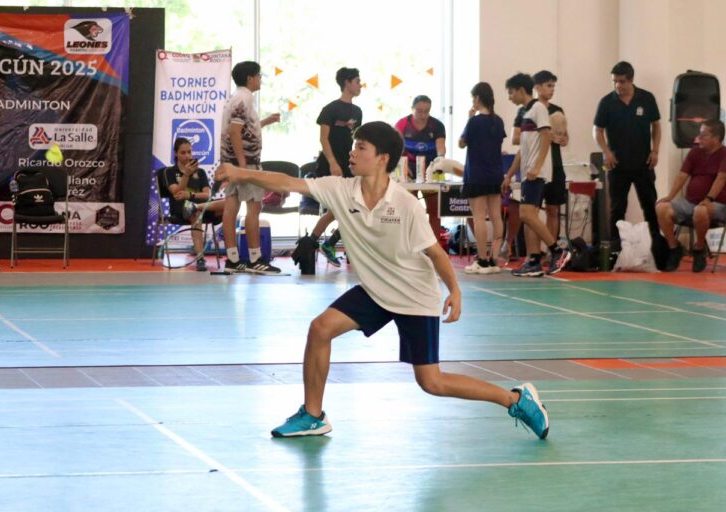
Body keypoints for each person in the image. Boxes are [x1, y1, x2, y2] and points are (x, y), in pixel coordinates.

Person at [215, 121, 550, 440]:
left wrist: (455, 290)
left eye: (361, 147)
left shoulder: (405, 204)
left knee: (431, 382)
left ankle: (515, 399)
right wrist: (240, 173)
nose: (352, 152)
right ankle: (313, 415)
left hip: (413, 295)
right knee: (320, 329)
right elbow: (287, 183)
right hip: (375, 292)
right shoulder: (341, 190)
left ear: (382, 158)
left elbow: (435, 253)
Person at [501, 73, 571, 277]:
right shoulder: (525, 113)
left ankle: (557, 250)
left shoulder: (538, 108)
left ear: (521, 90)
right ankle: (533, 261)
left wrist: (537, 168)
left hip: (536, 173)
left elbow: (546, 137)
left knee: (526, 214)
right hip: (528, 172)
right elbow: (523, 149)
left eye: (511, 92)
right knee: (528, 215)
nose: (509, 97)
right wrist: (509, 174)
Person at [219, 61, 281, 274]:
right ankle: (255, 259)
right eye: (259, 76)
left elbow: (243, 129)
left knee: (231, 207)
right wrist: (243, 165)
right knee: (254, 208)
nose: (260, 79)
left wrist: (265, 122)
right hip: (245, 163)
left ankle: (232, 259)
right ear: (250, 78)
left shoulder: (235, 97)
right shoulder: (244, 98)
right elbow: (235, 132)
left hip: (231, 162)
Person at [593, 61, 661, 246]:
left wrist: (655, 150)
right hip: (617, 164)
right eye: (614, 81)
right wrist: (606, 152)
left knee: (650, 206)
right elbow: (597, 130)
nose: (618, 85)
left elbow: (656, 125)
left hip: (644, 163)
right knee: (617, 209)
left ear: (631, 80)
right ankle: (616, 248)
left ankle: (656, 246)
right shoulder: (607, 102)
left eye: (621, 81)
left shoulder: (646, 98)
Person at [307, 67, 363, 267]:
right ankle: (315, 243)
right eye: (357, 81)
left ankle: (319, 242)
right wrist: (332, 162)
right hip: (329, 165)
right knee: (339, 207)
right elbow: (324, 139)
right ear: (347, 83)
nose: (360, 85)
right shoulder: (330, 109)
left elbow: (357, 140)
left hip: (348, 165)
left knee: (353, 208)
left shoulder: (357, 111)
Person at [655, 120, 726, 272]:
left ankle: (699, 249)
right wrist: (670, 196)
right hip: (690, 202)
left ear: (716, 138)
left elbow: (721, 178)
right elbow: (682, 175)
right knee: (661, 208)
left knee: (700, 210)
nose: (699, 138)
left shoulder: (724, 154)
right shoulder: (695, 152)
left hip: (717, 205)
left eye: (703, 135)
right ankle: (674, 248)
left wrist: (708, 199)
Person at [458, 82, 506, 274]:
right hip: (495, 174)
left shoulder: (474, 122)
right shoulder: (498, 121)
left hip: (477, 174)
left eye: (473, 98)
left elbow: (461, 143)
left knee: (478, 217)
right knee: (496, 216)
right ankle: (494, 258)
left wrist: (469, 119)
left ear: (477, 98)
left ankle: (482, 260)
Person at [161, 137, 224, 271]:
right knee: (196, 213)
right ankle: (200, 258)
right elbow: (177, 194)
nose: (187, 156)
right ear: (176, 154)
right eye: (183, 152)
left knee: (228, 203)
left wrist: (190, 195)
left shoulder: (200, 172)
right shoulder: (169, 172)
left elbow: (207, 194)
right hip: (180, 209)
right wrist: (186, 175)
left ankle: (234, 257)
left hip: (201, 206)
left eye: (189, 152)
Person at [395, 95, 446, 239]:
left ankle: (435, 244)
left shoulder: (437, 125)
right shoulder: (402, 124)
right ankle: (409, 243)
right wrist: (403, 167)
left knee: (435, 210)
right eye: (419, 111)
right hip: (408, 168)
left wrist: (440, 161)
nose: (423, 115)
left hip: (431, 168)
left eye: (426, 111)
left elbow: (441, 148)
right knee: (409, 209)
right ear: (412, 109)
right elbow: (396, 149)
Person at [533, 70, 569, 250]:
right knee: (531, 212)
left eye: (553, 86)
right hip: (537, 167)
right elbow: (519, 138)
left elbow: (565, 138)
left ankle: (551, 251)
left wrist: (561, 139)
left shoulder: (557, 111)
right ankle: (534, 252)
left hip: (555, 166)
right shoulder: (530, 110)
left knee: (553, 210)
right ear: (537, 87)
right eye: (549, 86)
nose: (552, 89)